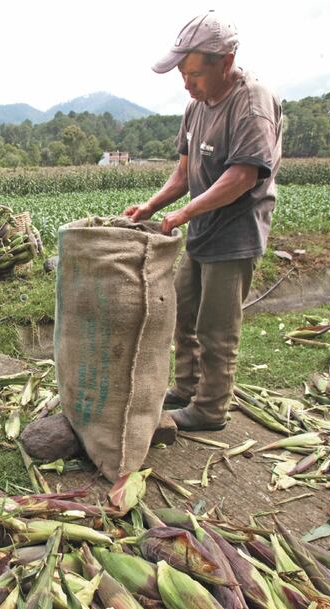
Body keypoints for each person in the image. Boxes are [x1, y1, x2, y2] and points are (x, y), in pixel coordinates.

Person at [124, 12, 282, 431]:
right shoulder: (196, 107)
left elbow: (242, 176)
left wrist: (184, 214)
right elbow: (183, 173)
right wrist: (152, 208)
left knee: (216, 329)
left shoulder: (251, 102)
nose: (186, 84)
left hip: (235, 233)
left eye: (193, 73)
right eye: (182, 73)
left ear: (225, 63)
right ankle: (187, 387)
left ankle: (210, 410)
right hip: (202, 230)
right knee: (183, 310)